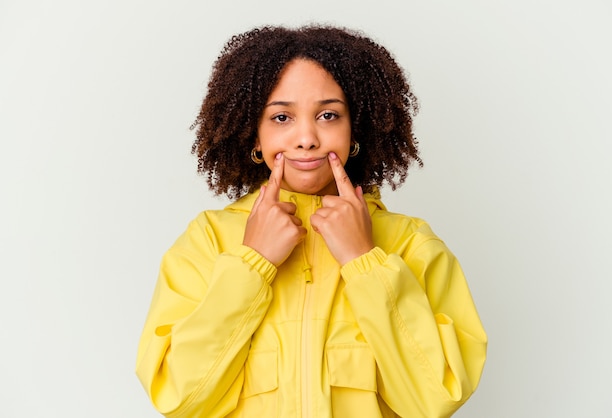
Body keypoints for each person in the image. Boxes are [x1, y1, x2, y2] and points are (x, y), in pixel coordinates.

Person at [136, 24, 487, 418]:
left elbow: (437, 396)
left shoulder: (410, 243)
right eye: (282, 117)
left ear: (356, 128)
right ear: (255, 135)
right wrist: (252, 263)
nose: (306, 138)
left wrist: (364, 261)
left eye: (328, 115)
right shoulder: (208, 241)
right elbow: (178, 398)